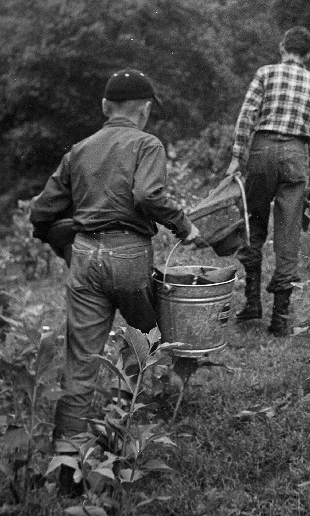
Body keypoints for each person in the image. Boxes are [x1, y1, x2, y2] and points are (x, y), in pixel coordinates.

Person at [29, 69, 200, 489]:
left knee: (82, 358)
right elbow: (147, 195)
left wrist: (65, 242)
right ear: (143, 110)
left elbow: (40, 211)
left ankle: (68, 462)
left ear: (105, 107)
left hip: (86, 257)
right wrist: (183, 226)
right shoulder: (147, 144)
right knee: (159, 329)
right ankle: (138, 412)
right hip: (129, 256)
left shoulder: (80, 150)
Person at [226, 27, 310, 337]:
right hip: (297, 154)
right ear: (308, 55)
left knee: (253, 224)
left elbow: (247, 115)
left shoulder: (266, 73)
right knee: (288, 234)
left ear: (282, 47)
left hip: (262, 150)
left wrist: (237, 155)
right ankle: (280, 317)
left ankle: (252, 303)